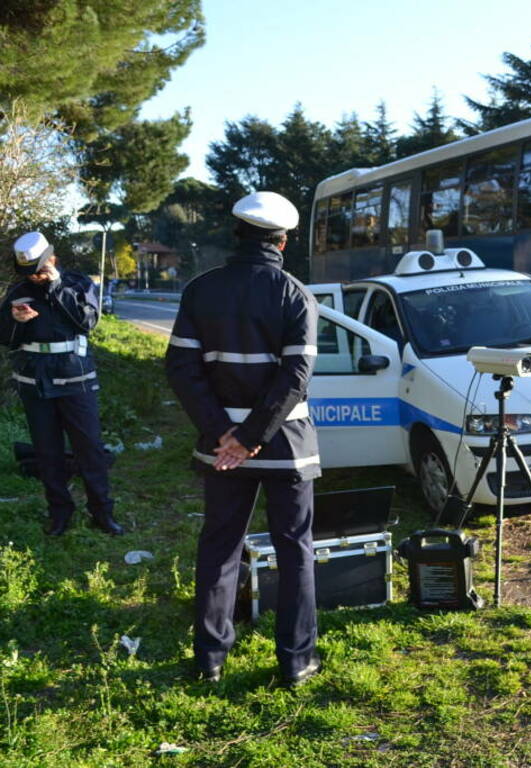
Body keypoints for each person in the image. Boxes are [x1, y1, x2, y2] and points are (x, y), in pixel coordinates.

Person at [165, 191, 322, 687]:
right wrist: (253, 437)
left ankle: (210, 658)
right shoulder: (296, 294)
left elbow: (181, 368)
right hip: (285, 446)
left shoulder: (200, 290)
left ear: (237, 232)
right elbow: (295, 377)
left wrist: (223, 435)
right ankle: (296, 662)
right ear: (283, 240)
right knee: (295, 550)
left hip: (222, 448)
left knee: (219, 545)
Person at [0, 232, 122, 536]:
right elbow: (4, 338)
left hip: (76, 383)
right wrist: (16, 321)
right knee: (47, 453)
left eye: (40, 271)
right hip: (35, 385)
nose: (36, 278)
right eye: (30, 273)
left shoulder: (78, 284)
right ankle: (59, 514)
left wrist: (56, 288)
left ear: (51, 260)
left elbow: (87, 322)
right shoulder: (19, 292)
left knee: (90, 450)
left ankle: (102, 513)